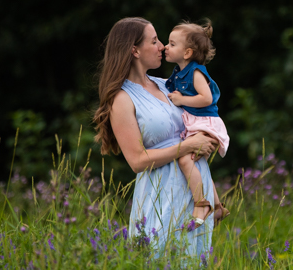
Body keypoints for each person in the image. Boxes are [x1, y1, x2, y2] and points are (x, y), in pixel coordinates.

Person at [92, 17, 219, 256]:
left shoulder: (167, 85)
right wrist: (188, 146)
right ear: (134, 50)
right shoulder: (122, 99)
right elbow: (137, 161)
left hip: (194, 198)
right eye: (154, 41)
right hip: (159, 196)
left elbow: (198, 124)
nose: (162, 46)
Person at [163, 20, 230, 227]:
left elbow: (206, 98)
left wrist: (182, 100)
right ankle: (218, 207)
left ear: (187, 53)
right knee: (197, 166)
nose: (165, 47)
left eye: (172, 44)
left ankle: (201, 203)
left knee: (184, 160)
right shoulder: (179, 72)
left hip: (206, 124)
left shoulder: (196, 72)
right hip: (197, 123)